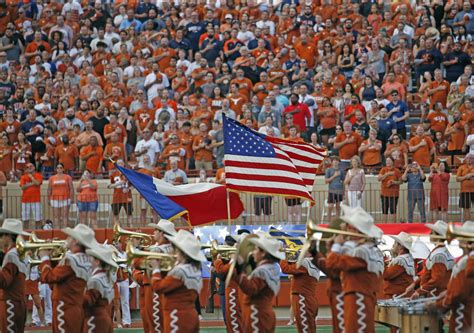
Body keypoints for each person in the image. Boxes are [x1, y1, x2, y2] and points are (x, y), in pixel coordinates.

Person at [326, 205, 384, 333]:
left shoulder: (361, 252)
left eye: (348, 226)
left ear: (356, 231)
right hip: (356, 297)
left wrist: (336, 245)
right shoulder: (361, 249)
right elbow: (334, 267)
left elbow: (331, 263)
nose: (345, 228)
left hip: (358, 299)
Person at [38, 224, 99, 333]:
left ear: (75, 241)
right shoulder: (85, 259)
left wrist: (45, 257)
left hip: (64, 309)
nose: (67, 239)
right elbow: (57, 282)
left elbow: (48, 277)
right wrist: (52, 259)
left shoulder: (71, 260)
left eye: (70, 237)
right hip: (74, 307)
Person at [149, 230, 205, 332]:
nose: (173, 251)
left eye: (175, 249)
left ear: (181, 252)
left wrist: (156, 269)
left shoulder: (180, 271)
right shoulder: (194, 269)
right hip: (191, 314)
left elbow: (158, 287)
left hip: (176, 317)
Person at [232, 232, 284, 332]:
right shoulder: (272, 267)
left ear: (263, 253)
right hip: (264, 313)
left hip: (256, 315)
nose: (253, 252)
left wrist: (239, 270)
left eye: (255, 249)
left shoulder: (262, 271)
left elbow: (251, 289)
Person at [434, 222, 474, 333]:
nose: (458, 239)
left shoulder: (468, 263)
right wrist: (448, 292)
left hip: (463, 317)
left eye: (462, 237)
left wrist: (437, 305)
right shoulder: (467, 260)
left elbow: (458, 294)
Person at [407, 221, 454, 299]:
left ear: (438, 236)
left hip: (436, 296)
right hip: (436, 294)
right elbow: (430, 274)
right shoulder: (441, 252)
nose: (429, 234)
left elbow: (436, 279)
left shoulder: (439, 255)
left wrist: (420, 291)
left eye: (432, 232)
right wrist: (415, 284)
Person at [280, 245, 320, 333]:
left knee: (304, 329)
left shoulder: (306, 262)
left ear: (309, 253)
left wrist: (283, 256)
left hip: (303, 299)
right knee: (309, 328)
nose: (300, 252)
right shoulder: (313, 262)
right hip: (308, 298)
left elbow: (285, 269)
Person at [0, 219, 30, 333]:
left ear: (8, 237)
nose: (0, 239)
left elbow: (3, 281)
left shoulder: (11, 255)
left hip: (9, 303)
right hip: (19, 302)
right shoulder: (22, 254)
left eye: (1, 236)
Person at [83, 245, 117, 333]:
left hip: (94, 320)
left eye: (91, 259)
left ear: (97, 261)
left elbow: (88, 301)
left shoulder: (95, 280)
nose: (88, 261)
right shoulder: (105, 276)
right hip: (103, 317)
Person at [213, 236, 241, 333]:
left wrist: (232, 259)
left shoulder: (239, 259)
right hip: (224, 290)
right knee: (227, 318)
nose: (225, 247)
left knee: (234, 319)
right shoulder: (224, 258)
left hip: (234, 292)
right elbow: (218, 273)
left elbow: (222, 271)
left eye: (227, 245)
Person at [383, 232, 415, 299]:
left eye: (395, 243)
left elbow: (386, 275)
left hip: (397, 296)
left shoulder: (400, 260)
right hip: (402, 295)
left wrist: (382, 261)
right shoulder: (406, 257)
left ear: (400, 246)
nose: (393, 245)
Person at [48, 163, 74, 228]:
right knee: (56, 216)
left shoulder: (68, 177)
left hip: (65, 198)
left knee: (64, 215)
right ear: (56, 169)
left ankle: (64, 230)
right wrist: (48, 199)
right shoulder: (52, 178)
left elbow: (71, 188)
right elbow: (49, 189)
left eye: (61, 168)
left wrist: (72, 198)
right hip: (54, 199)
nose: (59, 169)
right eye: (58, 168)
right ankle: (57, 230)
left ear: (63, 169)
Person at [108, 159, 133, 227]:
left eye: (121, 163)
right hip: (117, 197)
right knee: (115, 215)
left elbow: (134, 185)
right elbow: (109, 186)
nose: (120, 165)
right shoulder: (113, 174)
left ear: (124, 164)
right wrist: (119, 183)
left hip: (127, 197)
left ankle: (131, 228)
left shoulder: (128, 173)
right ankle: (117, 229)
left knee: (129, 214)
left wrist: (128, 189)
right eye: (118, 163)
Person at [378, 157, 402, 223]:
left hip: (394, 194)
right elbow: (379, 179)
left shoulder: (397, 171)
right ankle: (385, 226)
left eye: (389, 160)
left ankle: (393, 226)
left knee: (393, 210)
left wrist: (394, 182)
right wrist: (387, 174)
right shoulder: (383, 169)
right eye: (387, 161)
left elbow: (401, 181)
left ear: (392, 162)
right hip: (384, 193)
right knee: (384, 210)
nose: (388, 162)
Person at [19, 163, 43, 229]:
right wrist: (33, 183)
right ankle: (25, 233)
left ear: (34, 167)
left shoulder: (38, 175)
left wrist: (31, 177)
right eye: (27, 167)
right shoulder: (23, 177)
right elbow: (22, 187)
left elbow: (38, 183)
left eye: (31, 166)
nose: (29, 167)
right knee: (25, 219)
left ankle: (39, 232)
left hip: (36, 200)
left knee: (38, 218)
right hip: (25, 200)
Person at [325, 156, 344, 220]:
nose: (335, 162)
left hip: (339, 191)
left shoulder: (341, 171)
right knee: (330, 206)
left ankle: (337, 221)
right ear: (332, 162)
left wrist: (344, 192)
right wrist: (334, 176)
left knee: (338, 207)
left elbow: (343, 181)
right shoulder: (329, 170)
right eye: (334, 160)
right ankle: (329, 220)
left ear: (339, 162)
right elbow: (326, 181)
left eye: (337, 160)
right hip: (332, 191)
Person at [456, 153, 474, 221]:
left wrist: (472, 174)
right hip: (465, 191)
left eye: (471, 158)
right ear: (465, 159)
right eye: (468, 158)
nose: (469, 159)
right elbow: (457, 179)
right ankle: (467, 223)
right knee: (466, 208)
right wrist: (466, 176)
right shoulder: (461, 167)